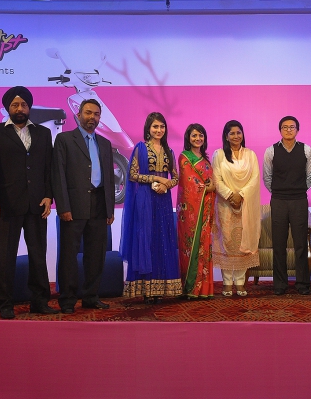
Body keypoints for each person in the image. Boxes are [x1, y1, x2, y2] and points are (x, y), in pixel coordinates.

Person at [0, 86, 58, 319]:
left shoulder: (43, 133)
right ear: (7, 108)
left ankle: (40, 301)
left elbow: (48, 168)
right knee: (4, 257)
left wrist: (48, 195)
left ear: (29, 107)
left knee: (38, 255)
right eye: (15, 105)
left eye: (24, 104)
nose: (20, 108)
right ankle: (5, 304)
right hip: (5, 206)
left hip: (36, 205)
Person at [52, 99, 115, 314]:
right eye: (88, 113)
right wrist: (63, 206)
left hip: (99, 206)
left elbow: (108, 178)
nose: (92, 118)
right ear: (78, 115)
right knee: (69, 255)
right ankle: (68, 300)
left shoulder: (105, 144)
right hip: (73, 206)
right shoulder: (64, 139)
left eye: (96, 114)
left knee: (96, 255)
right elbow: (58, 175)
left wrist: (109, 209)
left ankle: (91, 296)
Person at [121, 112, 182, 304]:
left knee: (162, 240)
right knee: (145, 239)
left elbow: (175, 177)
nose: (159, 130)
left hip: (163, 200)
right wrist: (155, 178)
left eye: (162, 127)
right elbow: (132, 175)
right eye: (155, 126)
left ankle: (161, 288)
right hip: (145, 199)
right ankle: (146, 289)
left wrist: (166, 185)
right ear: (148, 128)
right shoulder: (140, 148)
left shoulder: (169, 151)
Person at [263, 116, 311, 295]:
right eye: (285, 127)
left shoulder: (306, 150)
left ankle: (302, 284)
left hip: (299, 200)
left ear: (297, 130)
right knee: (279, 244)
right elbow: (267, 178)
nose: (288, 130)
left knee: (301, 244)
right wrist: (280, 192)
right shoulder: (271, 151)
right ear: (280, 130)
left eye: (292, 127)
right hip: (278, 201)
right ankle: (280, 284)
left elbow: (310, 178)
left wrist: (296, 191)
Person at [211, 120, 261, 297]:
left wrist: (241, 195)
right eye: (232, 133)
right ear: (226, 136)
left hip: (245, 205)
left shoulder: (251, 155)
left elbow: (255, 179)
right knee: (227, 244)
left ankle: (240, 283)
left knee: (242, 243)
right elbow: (216, 179)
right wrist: (230, 195)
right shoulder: (218, 154)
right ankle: (226, 283)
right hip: (225, 205)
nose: (236, 136)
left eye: (238, 132)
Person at [177, 123, 216, 299]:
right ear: (188, 138)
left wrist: (213, 187)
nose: (198, 139)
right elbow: (189, 182)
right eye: (194, 136)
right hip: (192, 211)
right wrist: (206, 188)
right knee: (191, 245)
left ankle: (204, 289)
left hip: (206, 208)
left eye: (201, 136)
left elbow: (211, 181)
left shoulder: (206, 159)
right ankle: (191, 287)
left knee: (205, 244)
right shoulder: (184, 157)